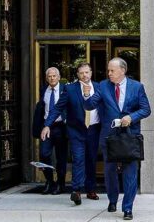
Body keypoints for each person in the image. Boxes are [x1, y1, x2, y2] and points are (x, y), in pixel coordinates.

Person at [83, 58, 151, 221]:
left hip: (130, 136)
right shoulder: (103, 86)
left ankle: (128, 208)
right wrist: (86, 95)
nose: (109, 73)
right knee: (110, 171)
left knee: (130, 173)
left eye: (112, 70)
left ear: (122, 70)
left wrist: (132, 117)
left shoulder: (137, 87)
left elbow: (146, 109)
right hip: (110, 136)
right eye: (108, 70)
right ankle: (112, 200)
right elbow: (90, 106)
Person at [41, 63, 101, 205]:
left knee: (91, 159)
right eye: (81, 73)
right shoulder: (70, 89)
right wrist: (47, 125)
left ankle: (91, 188)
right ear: (77, 75)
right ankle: (76, 190)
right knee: (78, 159)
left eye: (87, 72)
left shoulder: (100, 87)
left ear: (91, 73)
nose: (84, 75)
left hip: (94, 129)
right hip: (76, 130)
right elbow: (57, 108)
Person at [38, 67, 68, 195]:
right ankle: (50, 181)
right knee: (44, 154)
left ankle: (60, 184)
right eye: (49, 76)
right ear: (46, 78)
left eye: (54, 76)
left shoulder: (65, 89)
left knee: (61, 157)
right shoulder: (44, 90)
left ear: (59, 77)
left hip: (61, 126)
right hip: (47, 127)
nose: (52, 78)